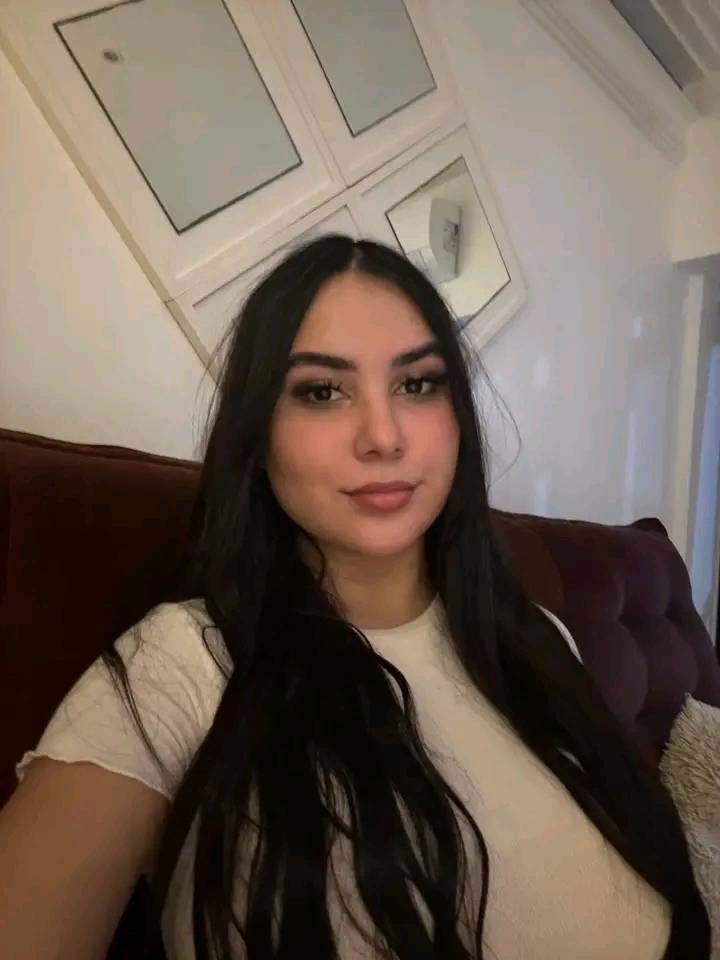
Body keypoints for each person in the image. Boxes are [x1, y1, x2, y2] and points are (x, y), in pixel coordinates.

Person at [1, 235, 710, 960]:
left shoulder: (540, 635)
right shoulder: (183, 664)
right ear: (258, 434)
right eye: (321, 391)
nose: (383, 436)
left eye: (418, 384)